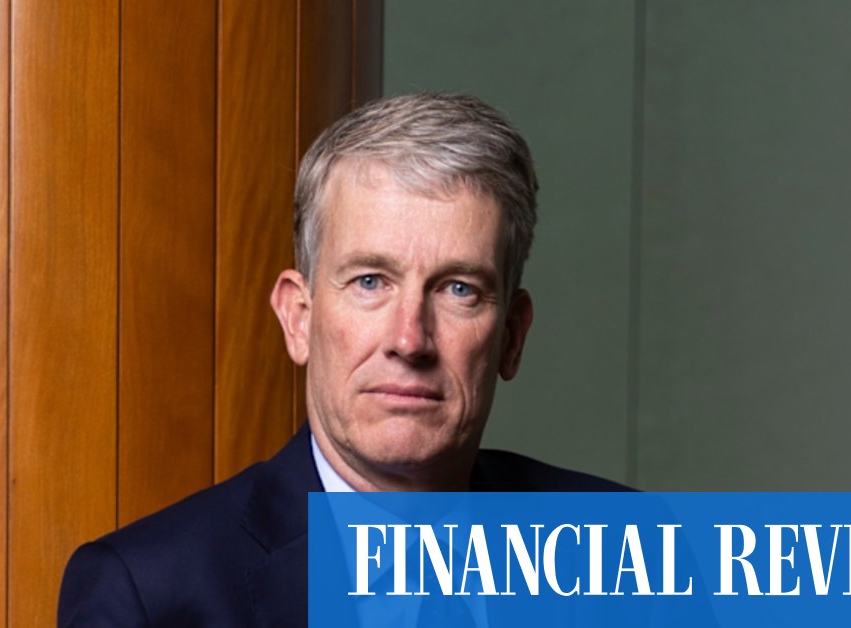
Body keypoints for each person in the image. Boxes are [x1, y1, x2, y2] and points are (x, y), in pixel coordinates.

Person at [57, 92, 630, 627]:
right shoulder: (145, 595)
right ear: (298, 318)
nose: (410, 339)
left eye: (459, 289)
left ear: (511, 337)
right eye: (370, 281)